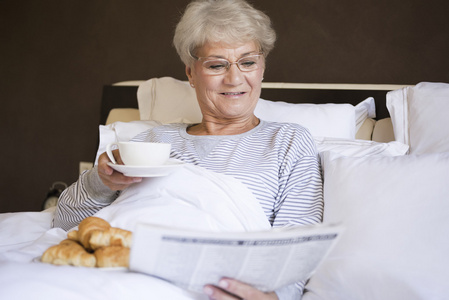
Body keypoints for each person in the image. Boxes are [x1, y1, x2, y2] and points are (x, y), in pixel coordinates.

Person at [53, 0, 323, 299]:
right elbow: (64, 222)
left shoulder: (288, 142)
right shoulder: (152, 142)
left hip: (207, 283)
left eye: (248, 62)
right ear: (191, 74)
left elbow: (296, 245)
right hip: (113, 269)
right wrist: (100, 181)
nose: (234, 78)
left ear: (261, 68)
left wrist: (277, 297)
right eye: (217, 65)